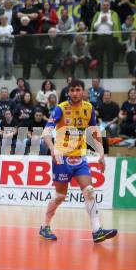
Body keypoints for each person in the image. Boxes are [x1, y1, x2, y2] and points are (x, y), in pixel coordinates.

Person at [39, 79, 117, 243]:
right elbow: (46, 132)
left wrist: (101, 153)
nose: (75, 93)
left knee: (89, 190)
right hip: (62, 159)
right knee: (60, 196)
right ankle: (45, 226)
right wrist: (53, 149)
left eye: (78, 90)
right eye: (72, 90)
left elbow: (94, 132)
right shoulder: (60, 109)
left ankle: (97, 230)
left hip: (79, 158)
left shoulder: (89, 108)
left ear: (83, 91)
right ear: (69, 92)